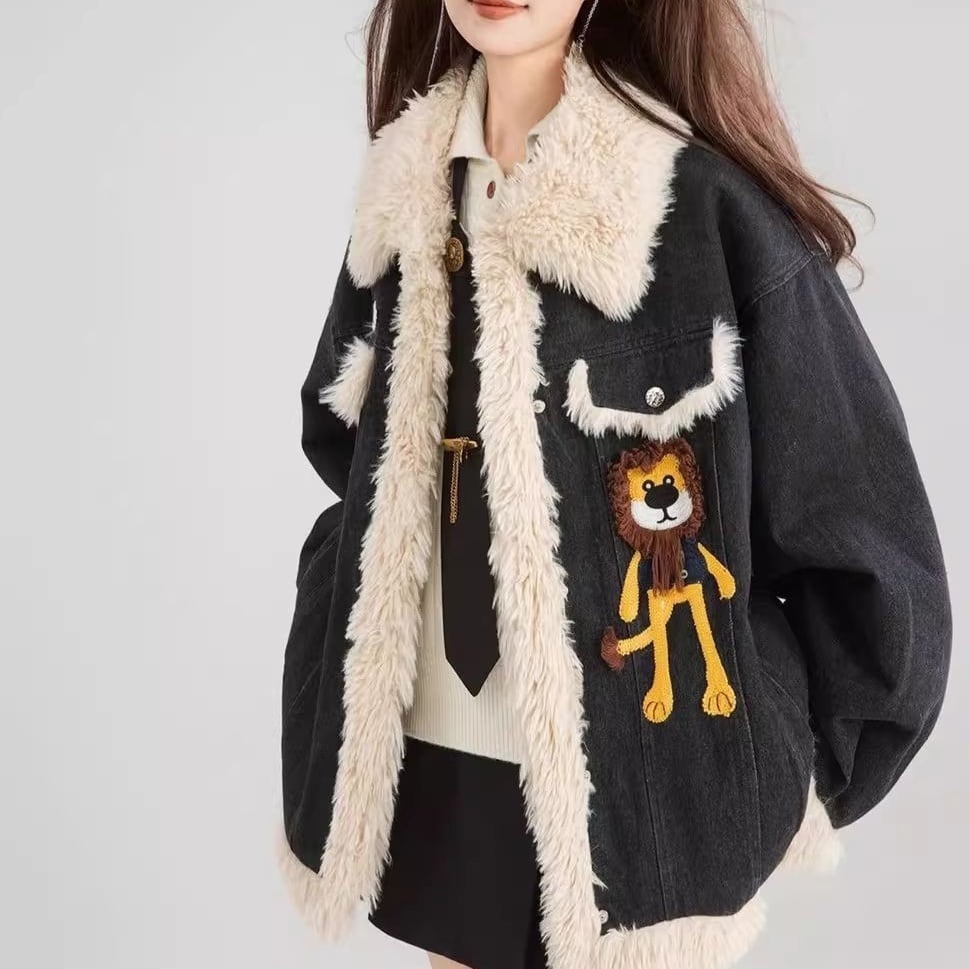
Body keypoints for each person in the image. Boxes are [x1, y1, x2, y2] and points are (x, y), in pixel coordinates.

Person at [277, 2, 952, 968]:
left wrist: (769, 774)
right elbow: (347, 456)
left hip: (638, 801)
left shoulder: (698, 209)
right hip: (431, 763)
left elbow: (867, 537)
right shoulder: (404, 197)